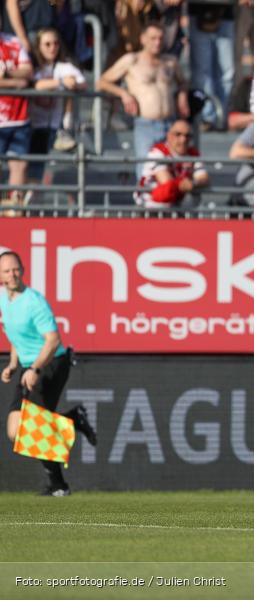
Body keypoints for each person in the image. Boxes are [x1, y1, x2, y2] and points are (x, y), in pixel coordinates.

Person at [1, 251, 96, 497]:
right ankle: (74, 419)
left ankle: (58, 486)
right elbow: (16, 335)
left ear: (22, 270)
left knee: (35, 426)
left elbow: (53, 341)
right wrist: (13, 363)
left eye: (16, 269)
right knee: (15, 431)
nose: (12, 275)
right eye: (6, 271)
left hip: (52, 362)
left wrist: (35, 369)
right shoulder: (3, 299)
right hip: (28, 366)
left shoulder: (34, 302)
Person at [99, 22, 190, 178]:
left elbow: (183, 82)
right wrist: (123, 93)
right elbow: (102, 82)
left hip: (170, 123)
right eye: (153, 38)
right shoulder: (132, 60)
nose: (157, 42)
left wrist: (182, 96)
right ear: (143, 39)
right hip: (146, 124)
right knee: (146, 171)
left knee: (173, 172)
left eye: (160, 38)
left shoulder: (170, 62)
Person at [28, 27, 86, 186]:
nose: (52, 48)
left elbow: (82, 83)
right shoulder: (32, 66)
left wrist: (73, 84)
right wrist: (60, 82)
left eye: (55, 44)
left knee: (35, 168)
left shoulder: (64, 66)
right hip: (30, 124)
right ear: (38, 46)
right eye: (47, 44)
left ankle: (27, 202)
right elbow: (34, 85)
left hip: (51, 126)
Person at [135, 119, 208, 208]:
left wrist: (193, 183)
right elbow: (166, 182)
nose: (183, 139)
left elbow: (204, 178)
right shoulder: (157, 151)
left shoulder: (193, 154)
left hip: (176, 203)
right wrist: (185, 183)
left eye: (188, 136)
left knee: (194, 196)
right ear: (169, 135)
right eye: (178, 134)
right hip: (151, 205)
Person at [188, 0, 235, 131]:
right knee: (202, 72)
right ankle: (207, 116)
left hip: (225, 14)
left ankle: (222, 117)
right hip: (198, 12)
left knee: (227, 72)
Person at [0, 27, 31, 210]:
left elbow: (27, 71)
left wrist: (6, 75)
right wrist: (15, 82)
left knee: (19, 166)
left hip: (18, 117)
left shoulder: (13, 41)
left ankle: (14, 210)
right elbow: (21, 80)